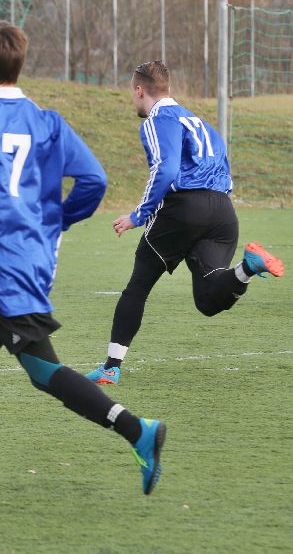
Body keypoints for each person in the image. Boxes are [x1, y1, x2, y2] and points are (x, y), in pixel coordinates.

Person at [0, 18, 165, 504]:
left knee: (43, 373)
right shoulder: (48, 122)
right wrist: (56, 220)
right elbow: (95, 181)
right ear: (19, 64)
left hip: (2, 263)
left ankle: (137, 430)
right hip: (34, 256)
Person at [85, 60, 284, 385]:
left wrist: (138, 215)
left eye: (132, 93)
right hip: (222, 211)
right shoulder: (201, 123)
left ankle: (111, 366)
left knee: (138, 285)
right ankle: (247, 268)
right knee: (207, 299)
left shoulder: (156, 119)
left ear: (139, 90)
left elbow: (165, 169)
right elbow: (223, 168)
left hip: (184, 209)